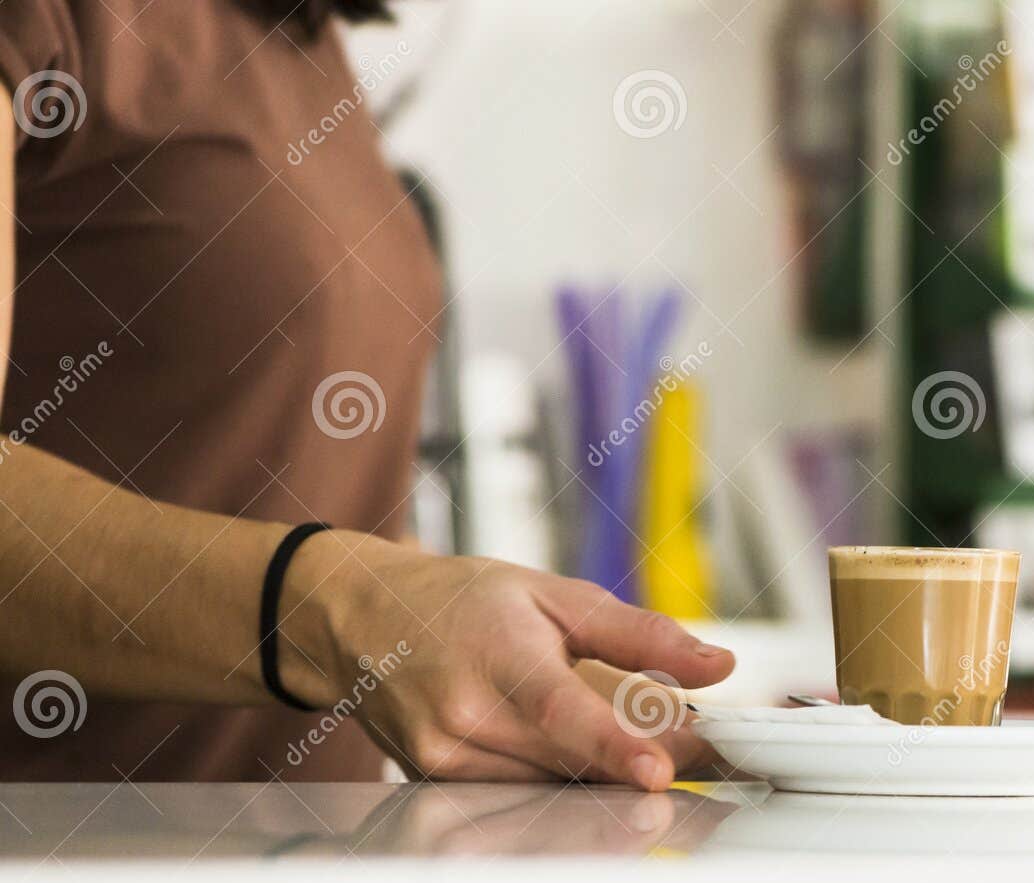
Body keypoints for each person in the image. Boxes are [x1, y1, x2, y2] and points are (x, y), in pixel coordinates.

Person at [0, 0, 731, 786]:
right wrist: (348, 609)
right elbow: (341, 593)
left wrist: (558, 689)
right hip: (63, 880)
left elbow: (312, 510)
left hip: (298, 877)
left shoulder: (302, 41)